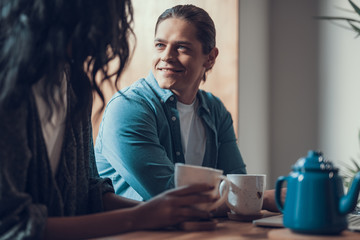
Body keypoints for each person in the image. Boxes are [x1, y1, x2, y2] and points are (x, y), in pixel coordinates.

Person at [0, 1, 217, 239]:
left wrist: (170, 214)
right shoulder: (10, 90)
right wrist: (142, 216)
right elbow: (11, 225)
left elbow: (87, 194)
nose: (115, 31)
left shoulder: (74, 84)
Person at [95, 4, 281, 212]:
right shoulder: (128, 108)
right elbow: (168, 194)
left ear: (210, 57)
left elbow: (235, 180)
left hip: (194, 229)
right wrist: (260, 199)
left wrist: (247, 197)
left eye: (181, 47)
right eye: (160, 45)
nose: (166, 56)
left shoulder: (215, 110)